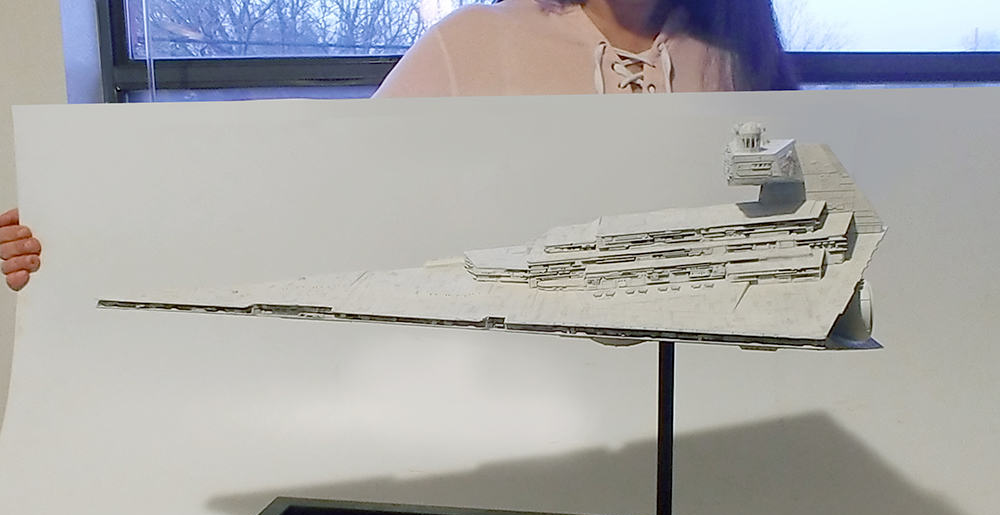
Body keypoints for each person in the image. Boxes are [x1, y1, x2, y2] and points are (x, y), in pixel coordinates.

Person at [0, 0, 793, 291]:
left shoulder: (745, 61)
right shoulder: (473, 45)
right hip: (523, 436)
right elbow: (306, 203)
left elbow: (814, 243)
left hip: (711, 441)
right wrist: (79, 240)